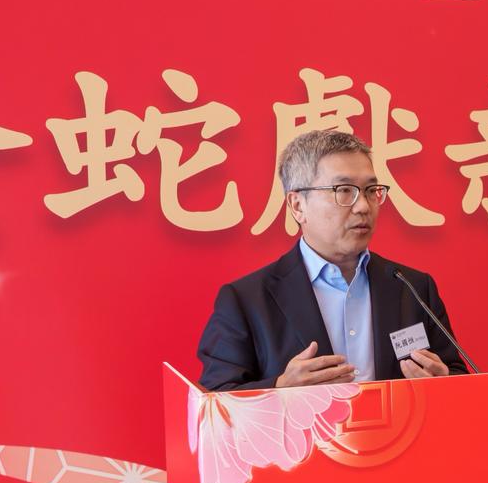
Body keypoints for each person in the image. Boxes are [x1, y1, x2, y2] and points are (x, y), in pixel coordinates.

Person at [196, 130, 468, 390]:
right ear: (297, 206)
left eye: (371, 190)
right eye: (344, 190)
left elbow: (457, 375)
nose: (363, 206)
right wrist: (279, 390)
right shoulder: (246, 300)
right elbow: (215, 399)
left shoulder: (412, 287)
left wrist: (443, 382)